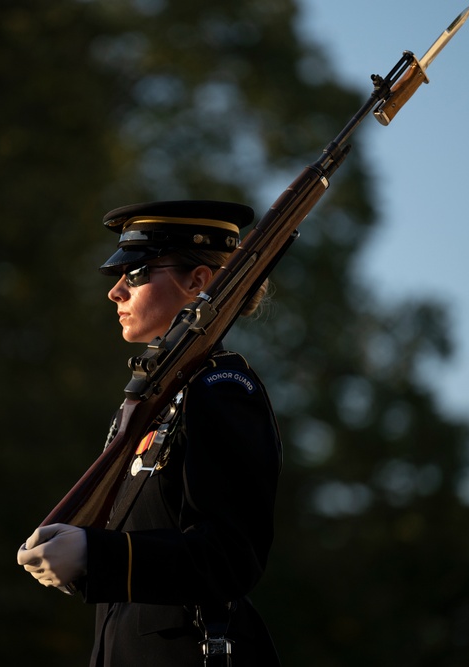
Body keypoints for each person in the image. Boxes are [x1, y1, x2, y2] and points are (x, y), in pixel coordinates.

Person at [17, 200, 282, 666]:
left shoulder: (220, 390)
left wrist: (95, 555)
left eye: (136, 273)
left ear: (199, 281)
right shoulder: (152, 401)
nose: (116, 292)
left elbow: (231, 555)